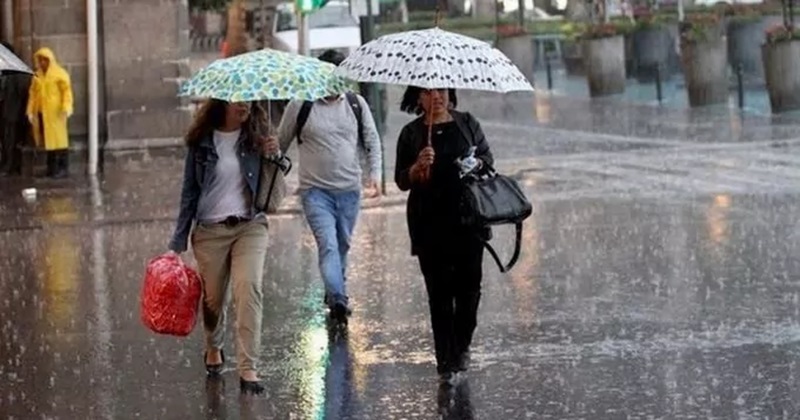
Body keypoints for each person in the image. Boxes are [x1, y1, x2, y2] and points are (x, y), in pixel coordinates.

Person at [168, 99, 285, 395]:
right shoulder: (202, 142)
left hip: (250, 225)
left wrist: (274, 155)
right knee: (214, 300)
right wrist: (177, 242)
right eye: (237, 101)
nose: (244, 105)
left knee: (249, 288)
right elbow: (188, 193)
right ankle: (213, 345)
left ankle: (249, 368)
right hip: (210, 231)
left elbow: (276, 178)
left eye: (248, 100)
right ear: (222, 103)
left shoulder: (257, 135)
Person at [272, 49, 382, 325]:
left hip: (349, 190)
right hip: (315, 192)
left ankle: (334, 291)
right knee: (329, 246)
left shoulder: (356, 104)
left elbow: (372, 139)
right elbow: (281, 142)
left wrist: (376, 174)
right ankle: (338, 298)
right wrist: (269, 161)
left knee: (342, 244)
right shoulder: (301, 105)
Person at [394, 87, 493, 386]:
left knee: (469, 291)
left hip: (468, 220)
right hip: (429, 223)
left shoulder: (467, 123)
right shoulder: (411, 134)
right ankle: (445, 362)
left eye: (442, 90)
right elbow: (400, 179)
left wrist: (476, 163)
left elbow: (487, 159)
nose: (436, 96)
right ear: (418, 99)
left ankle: (462, 345)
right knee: (439, 295)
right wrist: (416, 168)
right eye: (427, 92)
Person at [26, 47, 73, 178]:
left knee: (60, 141)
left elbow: (66, 92)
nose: (42, 63)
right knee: (48, 142)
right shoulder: (37, 76)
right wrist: (30, 111)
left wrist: (66, 107)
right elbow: (33, 95)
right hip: (43, 114)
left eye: (44, 60)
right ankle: (52, 168)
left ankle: (62, 168)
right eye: (40, 60)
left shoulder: (60, 74)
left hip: (57, 113)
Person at [0, 42, 32, 176]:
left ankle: (10, 167)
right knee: (5, 139)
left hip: (12, 112)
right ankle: (6, 164)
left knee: (10, 141)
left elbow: (23, 92)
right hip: (4, 111)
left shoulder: (18, 72)